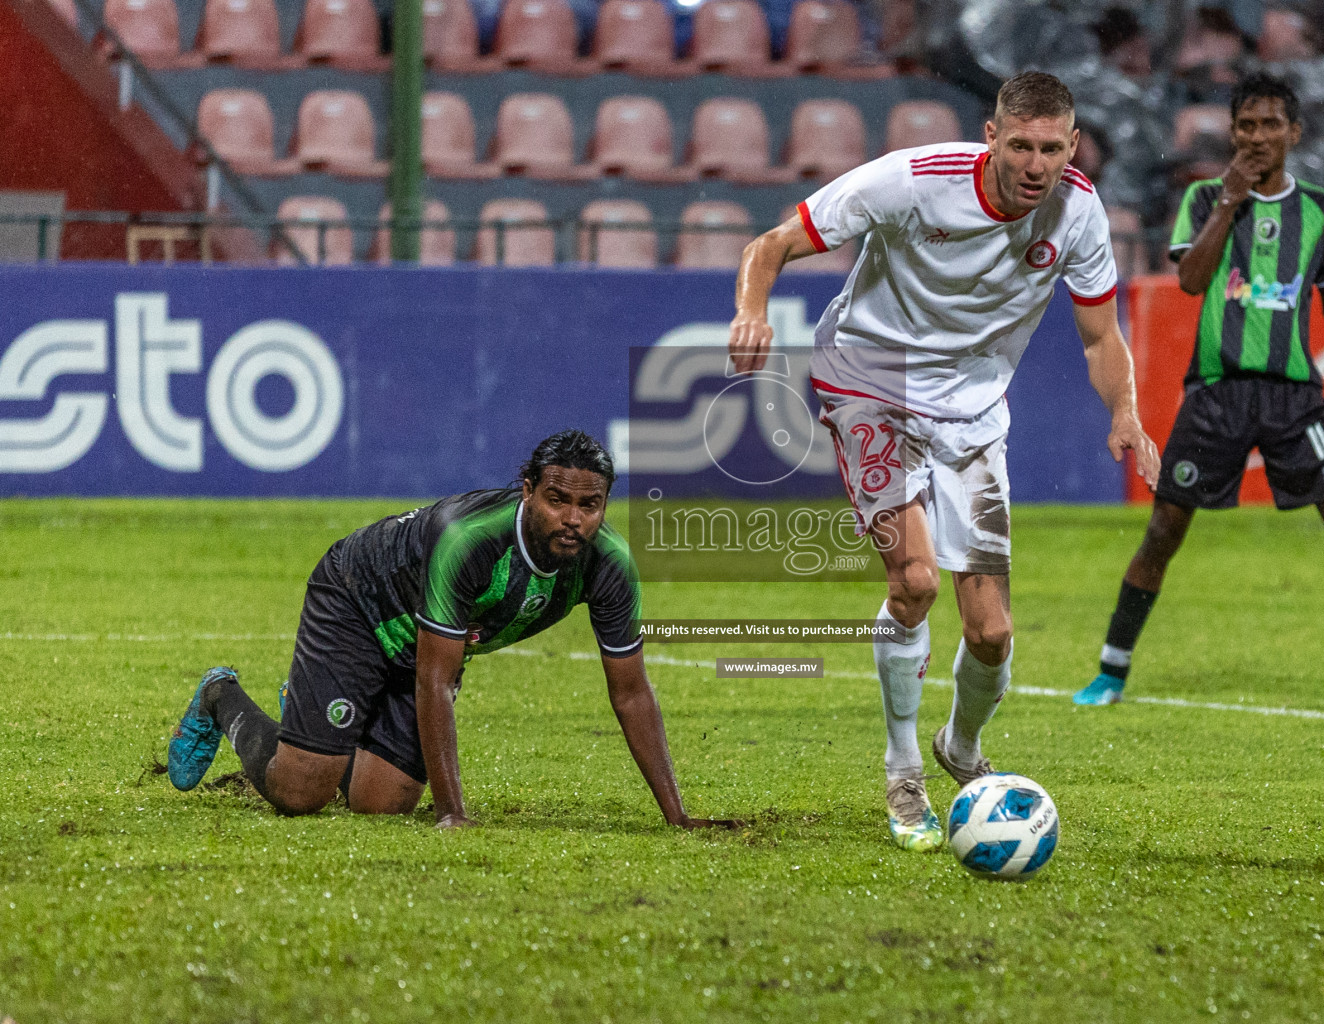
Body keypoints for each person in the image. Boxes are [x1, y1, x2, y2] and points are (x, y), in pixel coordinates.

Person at [729, 71, 1160, 852]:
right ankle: (901, 771)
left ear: (1073, 145)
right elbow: (773, 244)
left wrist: (1125, 412)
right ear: (991, 138)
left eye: (1052, 149)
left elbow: (1100, 336)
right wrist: (751, 310)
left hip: (971, 412)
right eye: (1021, 146)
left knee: (991, 633)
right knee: (915, 582)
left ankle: (959, 749)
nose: (1036, 165)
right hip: (866, 380)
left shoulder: (1078, 210)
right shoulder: (911, 180)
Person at [167, 430, 737, 830]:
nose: (573, 518)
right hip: (357, 604)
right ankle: (223, 699)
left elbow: (631, 692)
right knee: (300, 793)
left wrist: (677, 815)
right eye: (558, 499)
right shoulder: (469, 539)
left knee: (380, 806)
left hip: (431, 642)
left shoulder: (611, 566)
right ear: (528, 491)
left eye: (590, 505)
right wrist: (452, 812)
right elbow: (433, 681)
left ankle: (318, 718)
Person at [1073, 73, 1324, 715]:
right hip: (1216, 393)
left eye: (1270, 125)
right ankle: (1110, 672)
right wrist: (1230, 204)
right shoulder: (1207, 196)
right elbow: (1191, 280)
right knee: (1164, 530)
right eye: (1246, 125)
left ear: (1294, 133)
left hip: (1296, 398)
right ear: (1232, 132)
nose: (1256, 137)